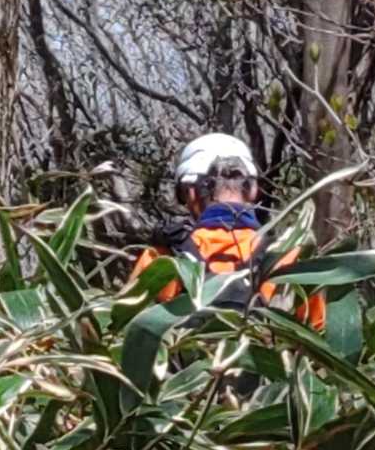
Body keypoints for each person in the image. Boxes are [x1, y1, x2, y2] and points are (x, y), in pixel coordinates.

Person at [130, 132, 325, 330]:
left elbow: (128, 330)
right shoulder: (289, 258)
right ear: (253, 190)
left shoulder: (162, 260)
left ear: (190, 192)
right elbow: (317, 333)